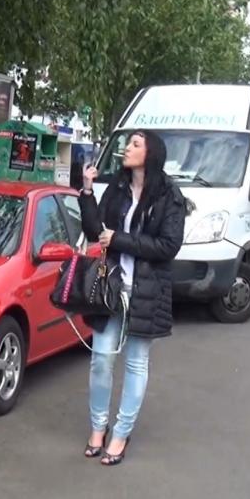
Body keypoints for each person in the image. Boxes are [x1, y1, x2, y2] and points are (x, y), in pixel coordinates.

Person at [79, 130, 188, 466]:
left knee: (136, 363)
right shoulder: (119, 187)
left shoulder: (170, 195)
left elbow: (169, 246)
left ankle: (121, 434)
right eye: (129, 143)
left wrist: (121, 240)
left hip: (146, 289)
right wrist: (86, 190)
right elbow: (94, 229)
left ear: (151, 153)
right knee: (100, 360)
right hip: (111, 286)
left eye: (135, 144)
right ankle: (98, 427)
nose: (127, 148)